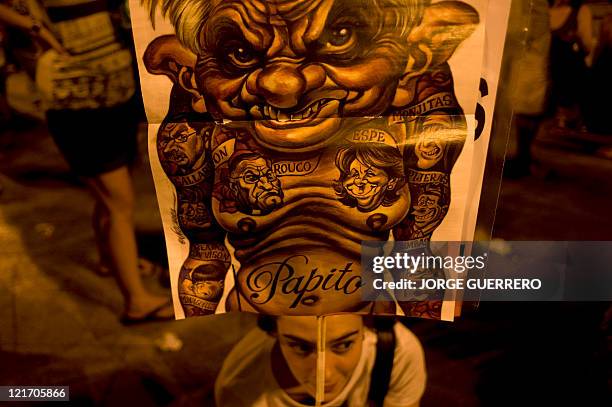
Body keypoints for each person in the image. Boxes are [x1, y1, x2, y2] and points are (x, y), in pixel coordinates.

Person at [142, 0, 480, 319]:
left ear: (417, 57)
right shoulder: (194, 133)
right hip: (252, 323)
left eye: (340, 38)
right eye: (240, 53)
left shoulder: (419, 116)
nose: (283, 86)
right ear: (189, 75)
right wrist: (207, 331)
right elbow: (205, 256)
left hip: (369, 323)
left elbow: (414, 257)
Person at [0, 0, 173, 323]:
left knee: (109, 200)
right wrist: (33, 28)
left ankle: (112, 260)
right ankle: (136, 301)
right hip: (77, 100)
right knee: (118, 203)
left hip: (115, 92)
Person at [215, 315, 426, 407]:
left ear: (367, 326)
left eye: (344, 345)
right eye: (300, 347)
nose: (324, 375)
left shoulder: (396, 352)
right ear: (272, 331)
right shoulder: (239, 386)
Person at [548, 0, 594, 129]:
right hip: (569, 79)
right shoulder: (581, 11)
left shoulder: (543, 11)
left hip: (551, 80)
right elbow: (587, 46)